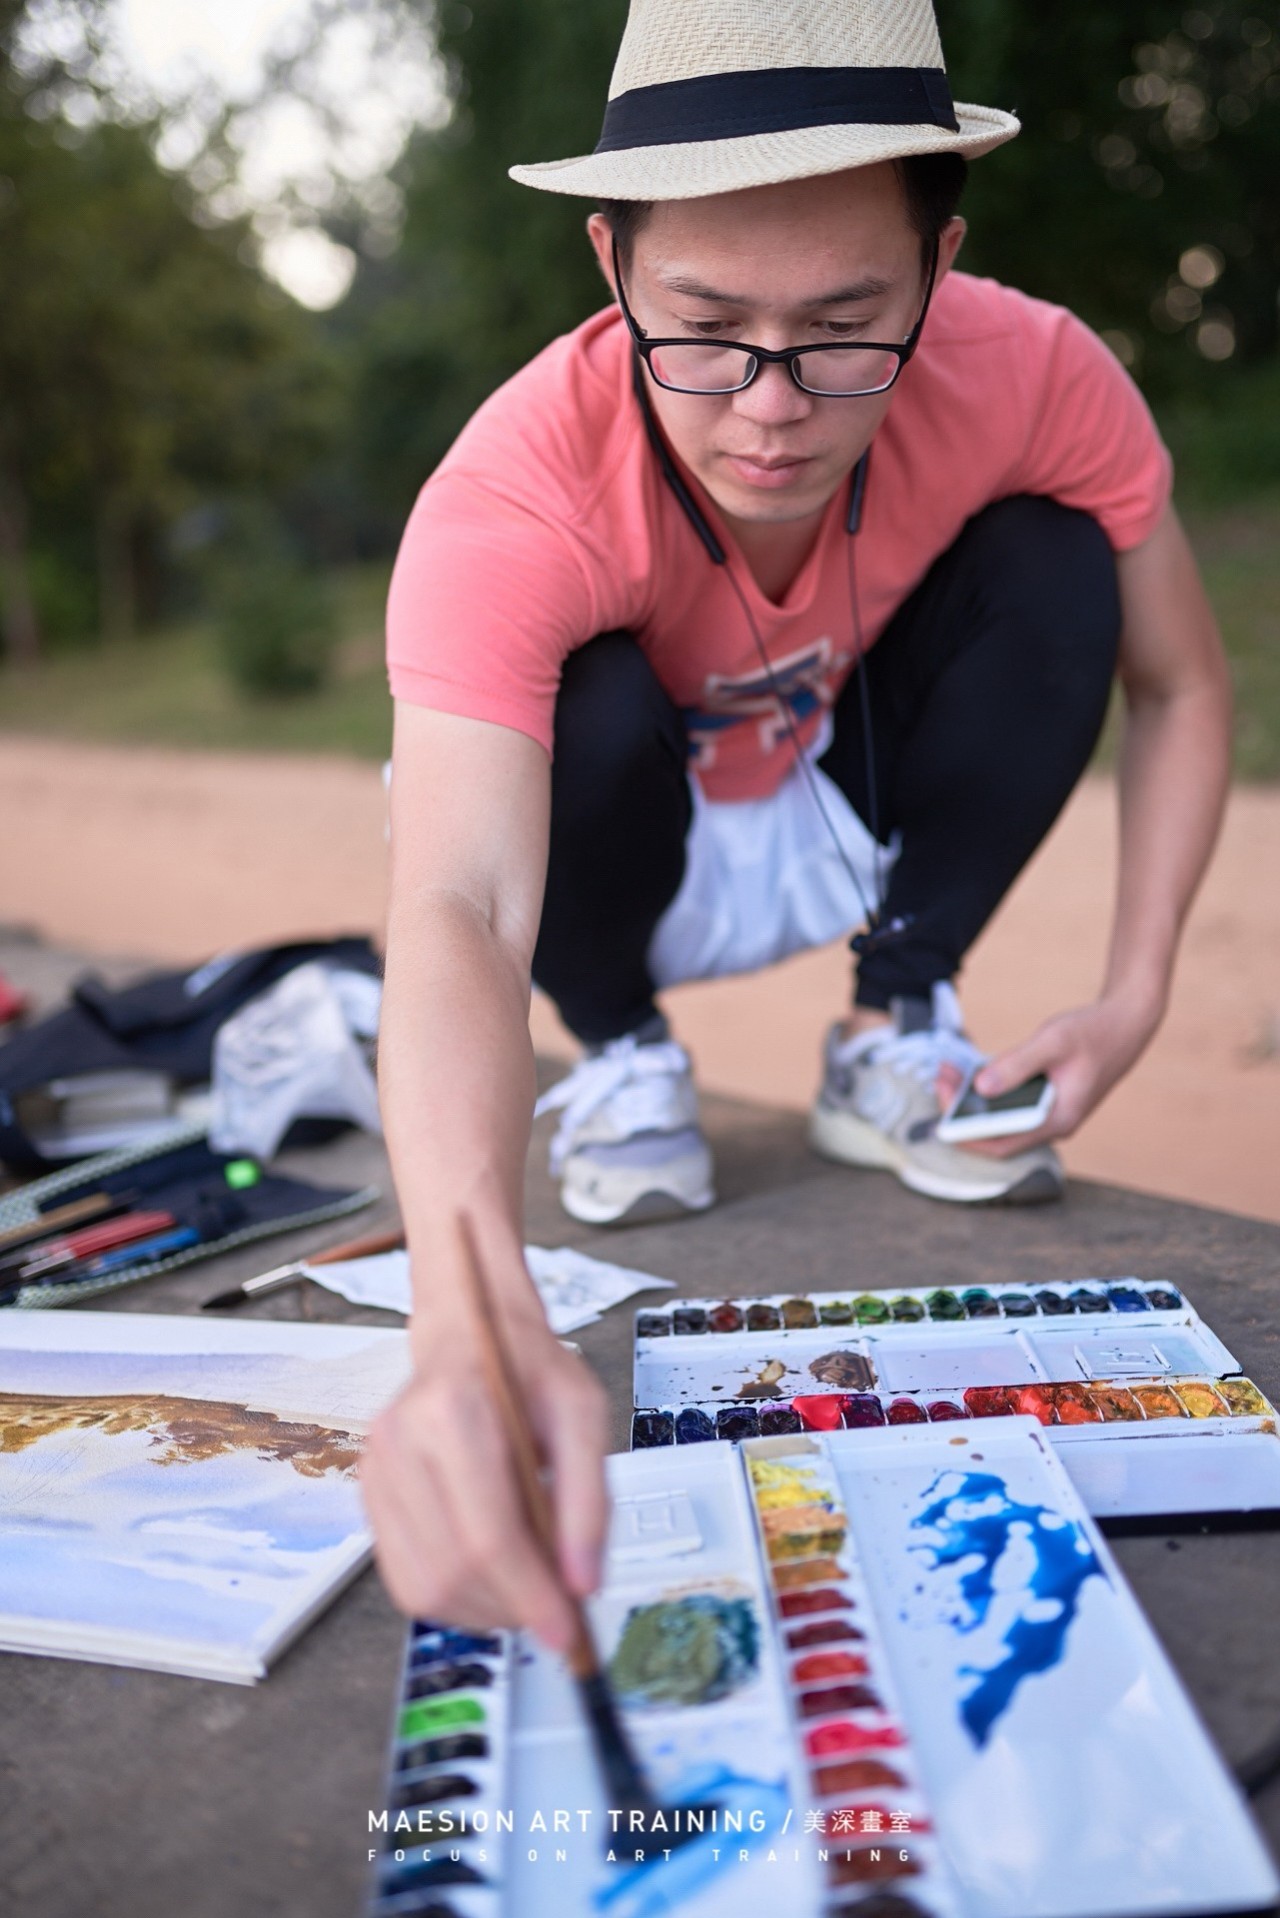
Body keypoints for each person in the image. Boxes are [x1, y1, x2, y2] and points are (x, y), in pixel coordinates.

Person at [362, 0, 1231, 1646]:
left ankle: (896, 1014)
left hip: (849, 814)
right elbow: (463, 899)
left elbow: (1181, 682)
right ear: (609, 263)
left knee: (1061, 561)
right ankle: (620, 1050)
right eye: (701, 326)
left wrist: (1138, 986)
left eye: (846, 328)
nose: (770, 406)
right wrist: (467, 1306)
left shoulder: (1037, 370)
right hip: (606, 861)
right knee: (598, 698)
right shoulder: (511, 492)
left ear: (941, 260)